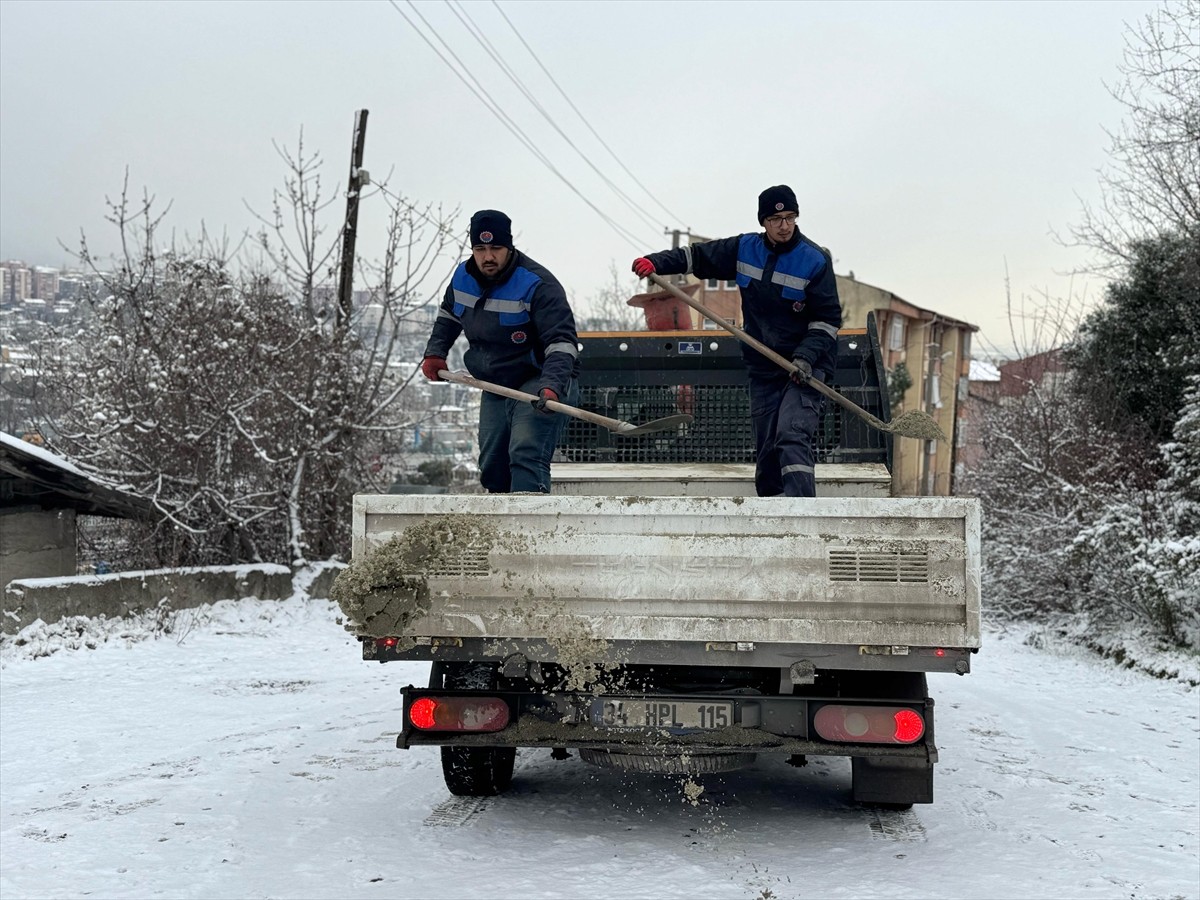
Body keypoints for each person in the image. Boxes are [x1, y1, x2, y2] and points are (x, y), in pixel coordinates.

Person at [631, 185, 842, 498]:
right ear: (763, 222)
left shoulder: (814, 260)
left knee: (792, 434)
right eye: (776, 219)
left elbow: (827, 320)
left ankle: (802, 514)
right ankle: (772, 514)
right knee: (768, 447)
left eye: (790, 218)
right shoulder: (745, 249)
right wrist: (656, 262)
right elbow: (697, 257)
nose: (784, 226)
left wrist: (805, 357)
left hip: (804, 367)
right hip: (764, 366)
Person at [421, 209, 580, 494]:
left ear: (509, 247)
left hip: (539, 380)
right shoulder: (462, 278)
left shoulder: (537, 285)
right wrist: (435, 352)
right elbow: (448, 315)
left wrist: (552, 385)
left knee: (525, 453)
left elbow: (561, 343)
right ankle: (501, 531)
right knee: (493, 464)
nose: (488, 257)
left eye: (495, 248)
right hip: (495, 381)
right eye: (480, 249)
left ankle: (531, 529)